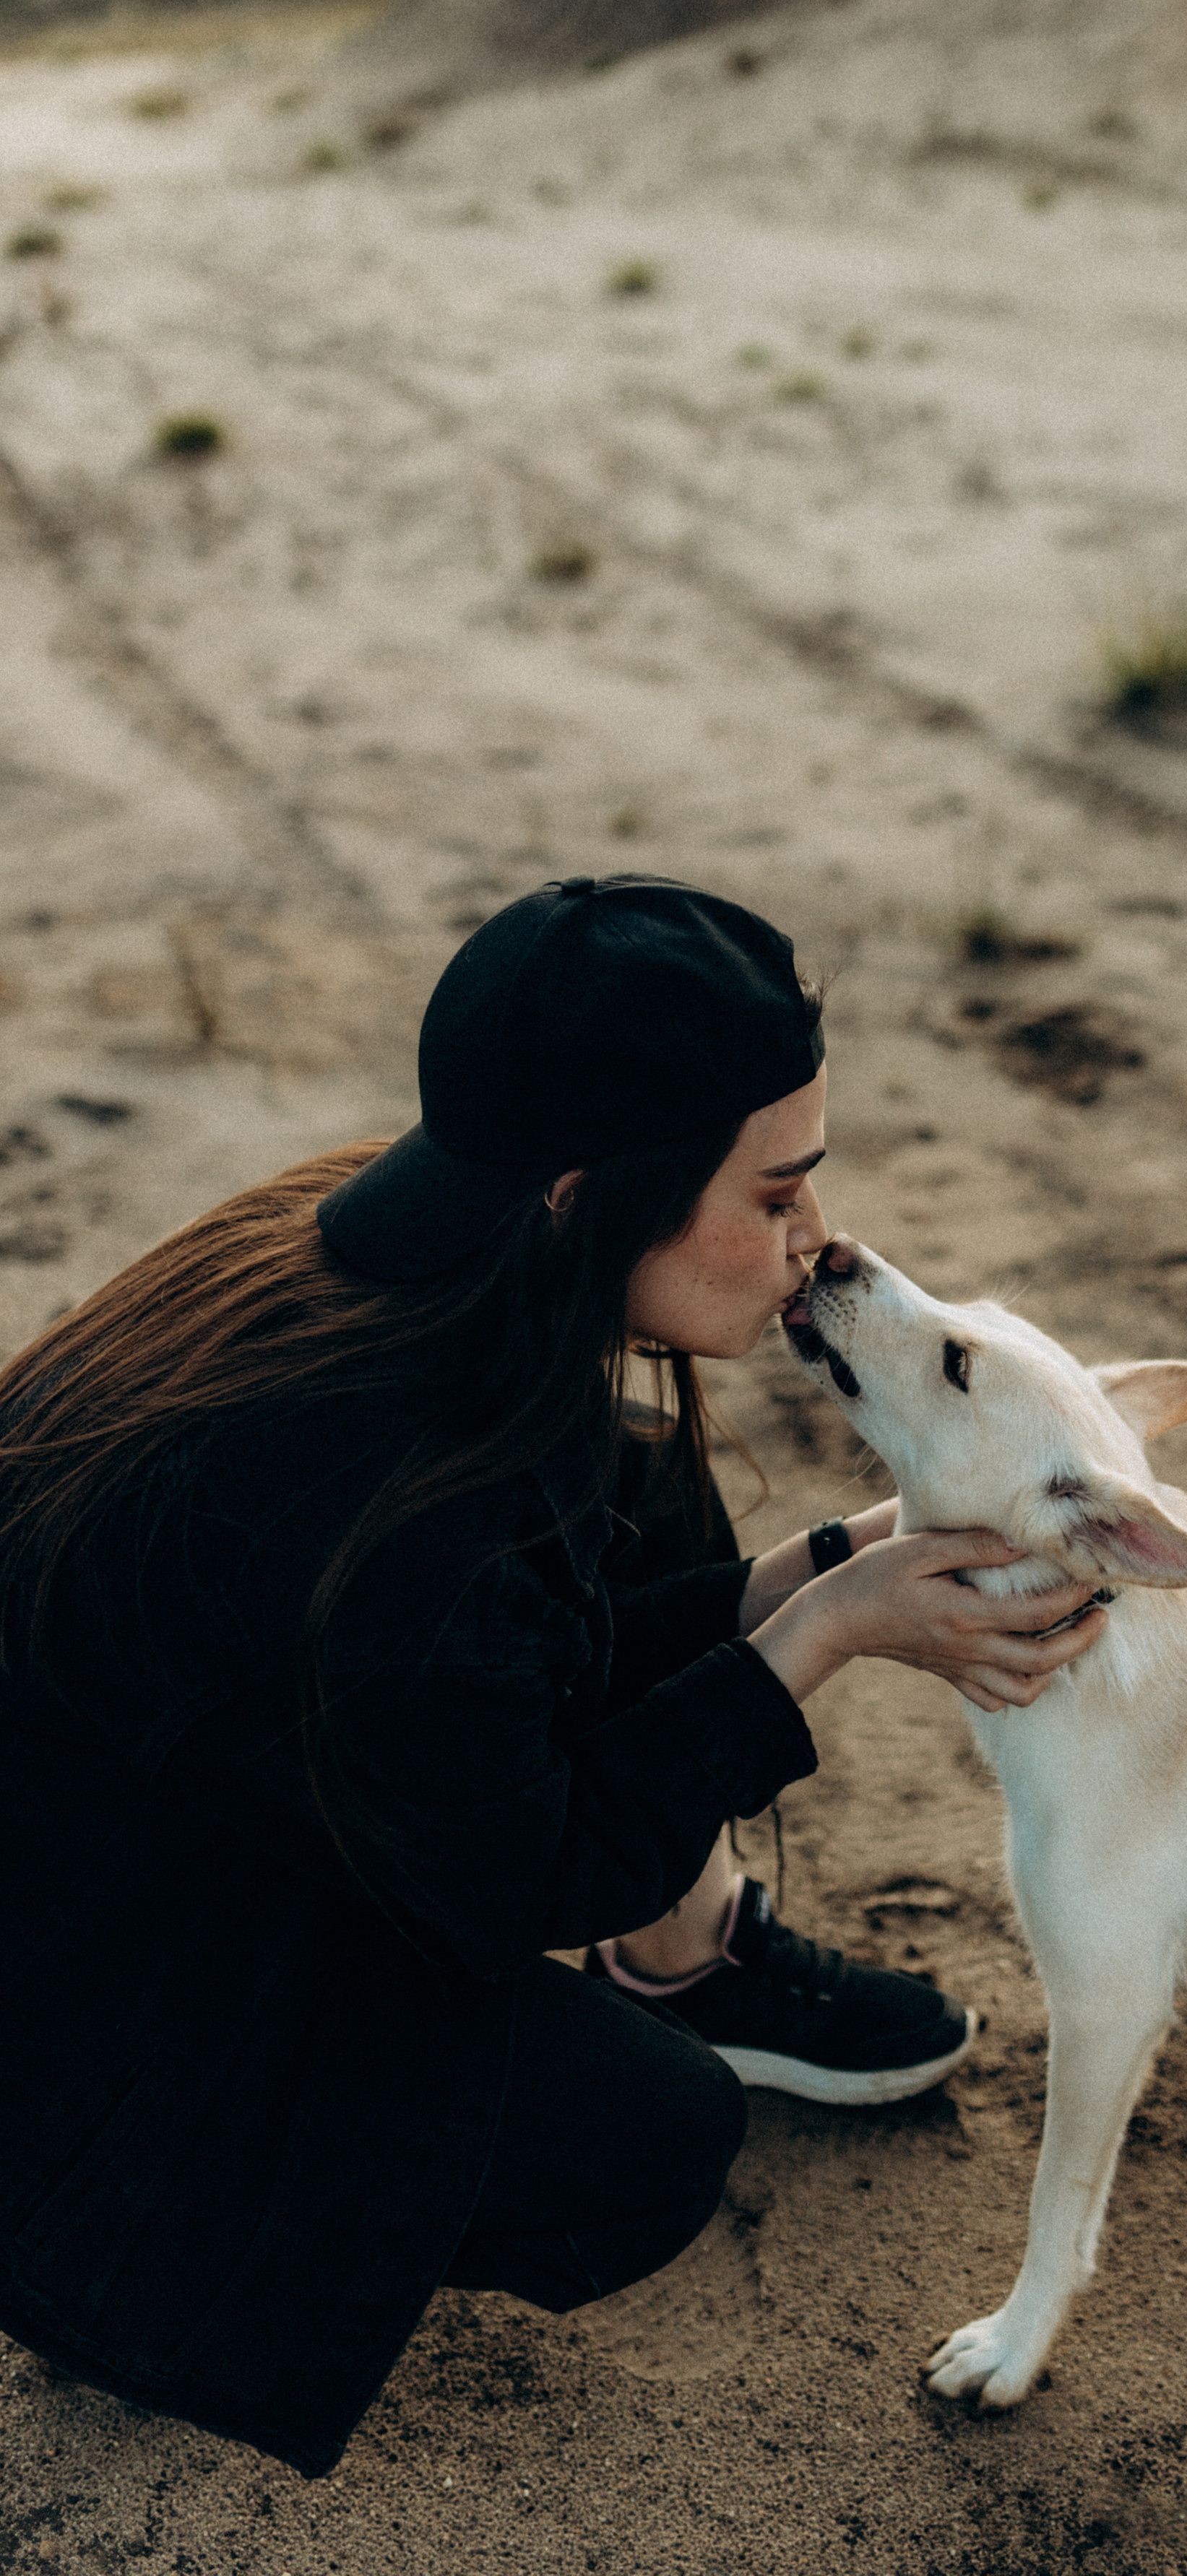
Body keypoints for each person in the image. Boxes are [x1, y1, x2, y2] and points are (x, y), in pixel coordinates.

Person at [0, 876, 1108, 2479]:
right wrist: (825, 1634)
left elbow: (517, 1652)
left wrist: (804, 1573)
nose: (818, 1240)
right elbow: (523, 1869)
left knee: (632, 1471)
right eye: (776, 1193)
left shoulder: (409, 1242)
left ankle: (686, 1955)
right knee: (640, 2145)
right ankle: (107, 2251)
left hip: (173, 1815)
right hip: (93, 1999)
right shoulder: (392, 1506)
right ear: (591, 1195)